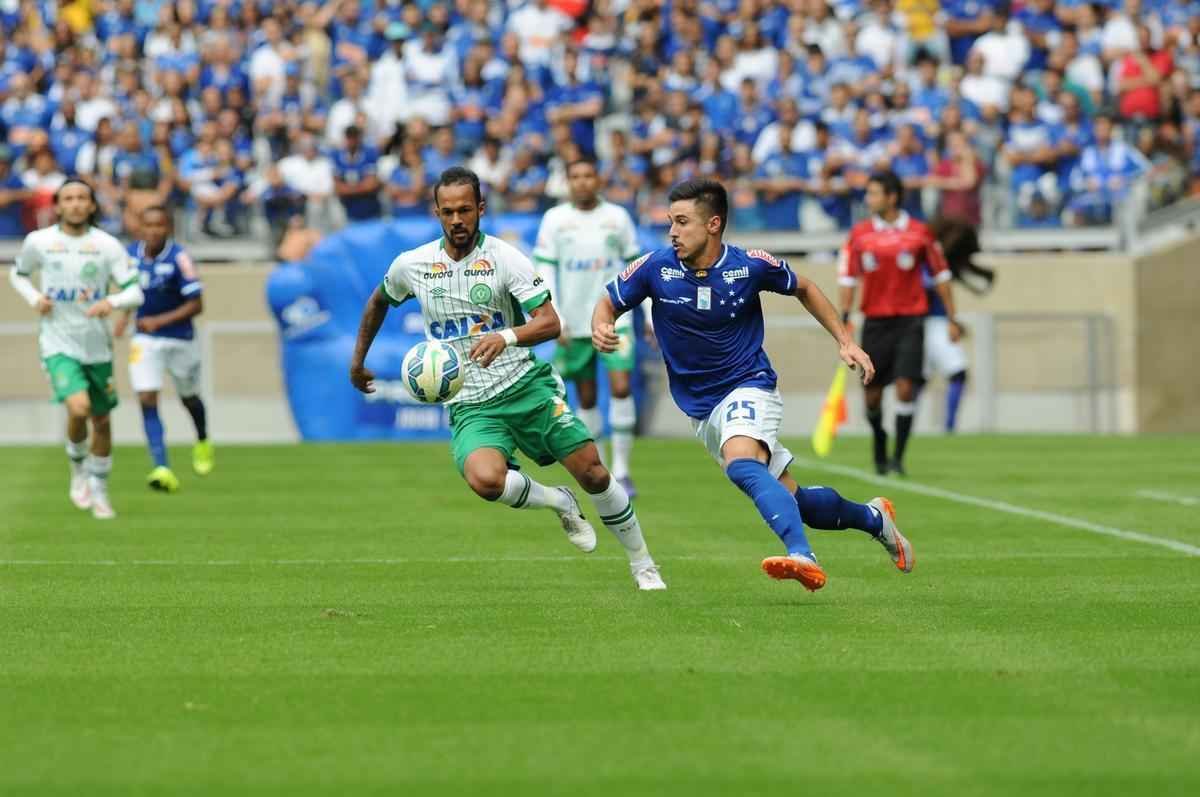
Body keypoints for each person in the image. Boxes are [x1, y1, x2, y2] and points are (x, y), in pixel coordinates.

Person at [349, 167, 665, 591]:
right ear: (437, 213)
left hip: (525, 387)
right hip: (471, 403)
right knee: (485, 480)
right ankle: (558, 501)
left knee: (592, 472)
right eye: (448, 212)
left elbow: (551, 323)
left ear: (480, 209)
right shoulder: (414, 265)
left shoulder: (505, 258)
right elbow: (377, 301)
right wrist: (358, 360)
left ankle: (643, 564)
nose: (457, 220)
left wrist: (506, 336)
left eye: (465, 210)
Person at [593, 179, 914, 593]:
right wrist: (601, 325)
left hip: (749, 385)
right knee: (796, 501)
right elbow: (608, 301)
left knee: (742, 462)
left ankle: (803, 556)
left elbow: (804, 287)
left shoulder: (748, 266)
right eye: (670, 222)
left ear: (713, 224)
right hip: (702, 408)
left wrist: (846, 341)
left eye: (682, 222)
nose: (672, 231)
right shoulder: (656, 267)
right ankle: (875, 519)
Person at [7, 179, 144, 519]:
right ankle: (78, 469)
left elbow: (135, 291)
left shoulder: (106, 245)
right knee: (79, 408)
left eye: (82, 198)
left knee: (101, 420)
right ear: (58, 206)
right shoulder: (39, 242)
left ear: (93, 205)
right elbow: (18, 274)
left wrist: (109, 302)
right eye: (68, 198)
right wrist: (35, 298)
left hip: (96, 344)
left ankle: (99, 488)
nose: (76, 204)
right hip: (57, 342)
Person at [533, 157, 644, 497]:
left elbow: (636, 269)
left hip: (615, 320)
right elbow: (546, 271)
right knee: (587, 397)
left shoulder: (617, 218)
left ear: (599, 179)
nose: (582, 181)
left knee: (621, 386)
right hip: (575, 322)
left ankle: (624, 470)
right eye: (575, 176)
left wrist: (649, 315)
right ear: (568, 182)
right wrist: (557, 318)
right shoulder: (555, 220)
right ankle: (603, 468)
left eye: (588, 175)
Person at [838, 171, 960, 476]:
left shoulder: (920, 233)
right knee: (873, 395)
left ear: (892, 197)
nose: (869, 199)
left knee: (907, 388)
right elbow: (848, 278)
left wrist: (952, 318)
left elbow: (942, 276)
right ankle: (880, 437)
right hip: (875, 322)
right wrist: (844, 320)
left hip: (910, 321)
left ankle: (898, 456)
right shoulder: (860, 234)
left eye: (874, 193)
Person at [112, 206, 213, 491]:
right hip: (144, 340)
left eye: (159, 225)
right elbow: (130, 292)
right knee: (146, 397)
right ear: (140, 228)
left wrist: (159, 320)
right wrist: (124, 319)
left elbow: (197, 304)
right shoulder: (130, 255)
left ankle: (203, 440)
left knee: (189, 397)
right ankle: (161, 466)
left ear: (168, 228)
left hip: (180, 339)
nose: (154, 230)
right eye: (149, 225)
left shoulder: (180, 258)